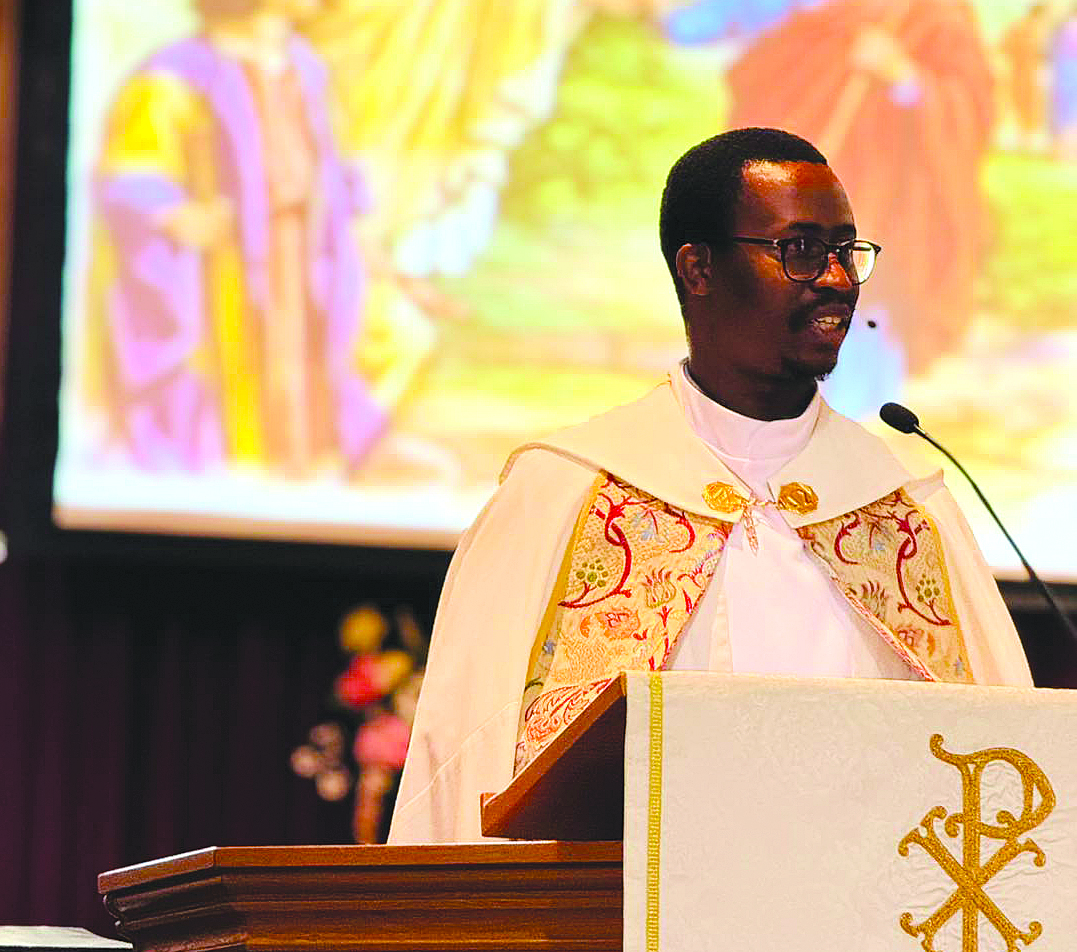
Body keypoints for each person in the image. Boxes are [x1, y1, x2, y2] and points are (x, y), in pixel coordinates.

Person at [388, 128, 1032, 845]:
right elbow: (463, 756)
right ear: (696, 268)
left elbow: (1005, 765)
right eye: (800, 250)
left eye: (846, 251)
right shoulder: (566, 491)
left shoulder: (904, 504)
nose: (837, 280)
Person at [83, 0, 383, 473]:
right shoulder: (176, 74)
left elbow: (331, 157)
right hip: (227, 261)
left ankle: (302, 458)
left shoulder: (305, 66)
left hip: (300, 251)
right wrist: (175, 214)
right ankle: (231, 466)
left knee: (302, 352)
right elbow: (133, 170)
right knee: (237, 353)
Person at [724, 0, 996, 418]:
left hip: (891, 195)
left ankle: (854, 415)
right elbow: (766, 74)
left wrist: (903, 76)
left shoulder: (940, 17)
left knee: (860, 302)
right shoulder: (836, 11)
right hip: (815, 186)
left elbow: (970, 109)